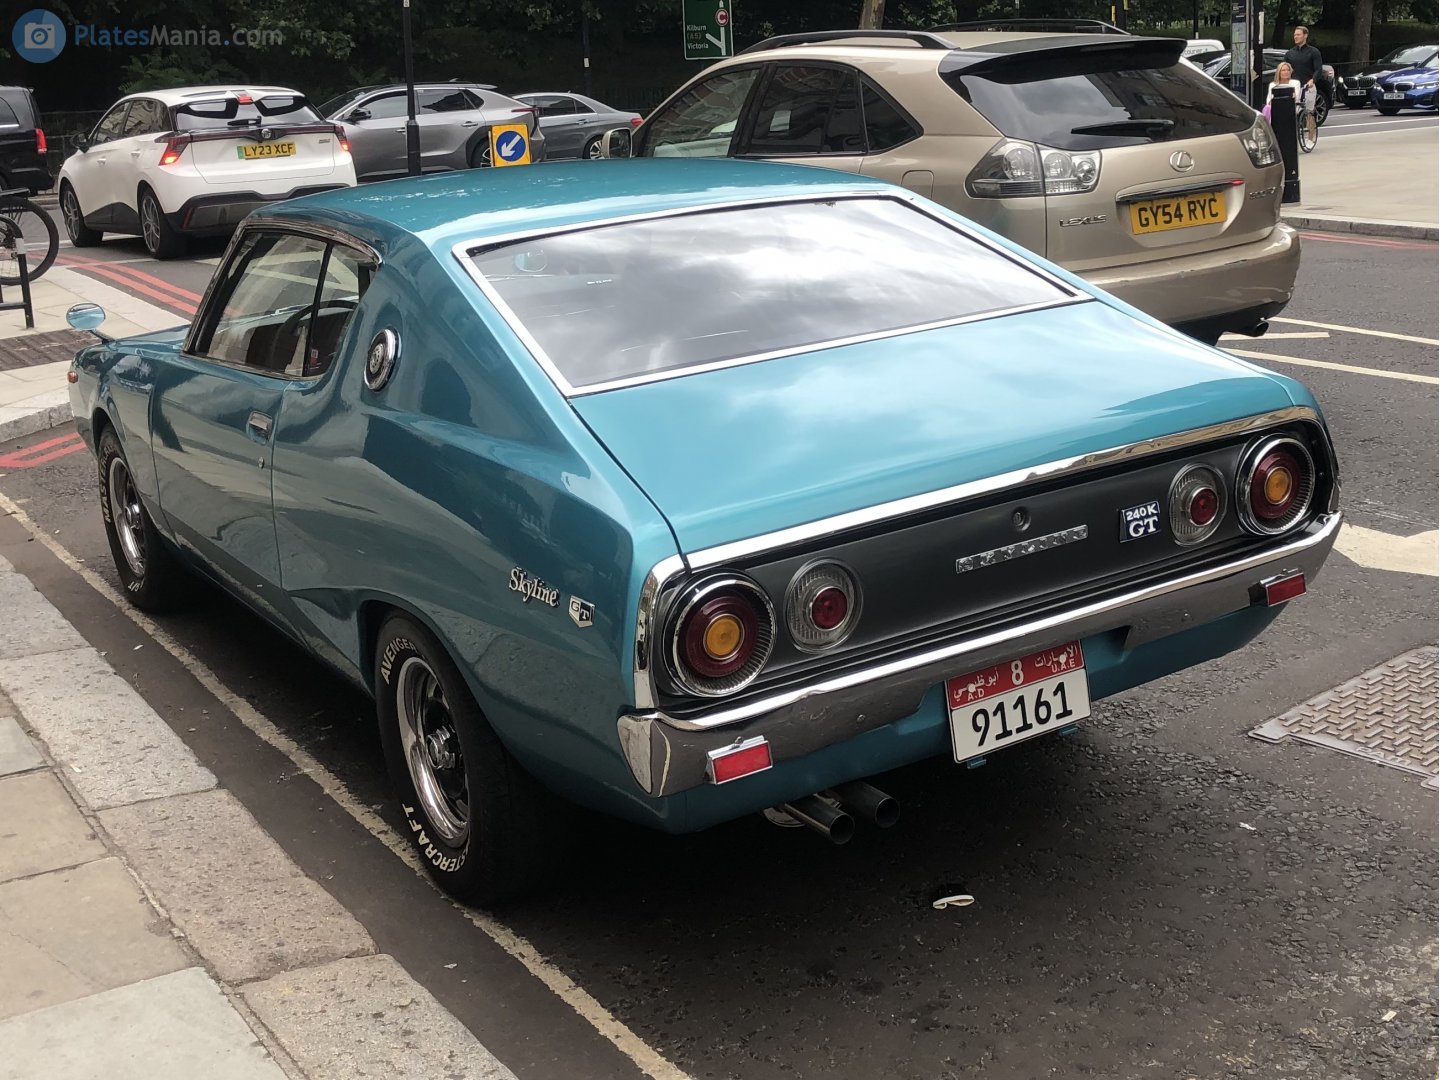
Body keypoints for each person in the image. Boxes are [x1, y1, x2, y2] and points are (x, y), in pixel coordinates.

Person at [1283, 25, 1323, 114]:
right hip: (1293, 87)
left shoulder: (1314, 52)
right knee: (1292, 112)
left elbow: (1318, 69)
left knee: (1308, 113)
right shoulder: (1289, 54)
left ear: (1305, 35)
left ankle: (1310, 125)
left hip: (1308, 86)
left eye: (1298, 35)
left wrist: (1313, 80)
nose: (1295, 37)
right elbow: (1284, 69)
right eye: (1294, 35)